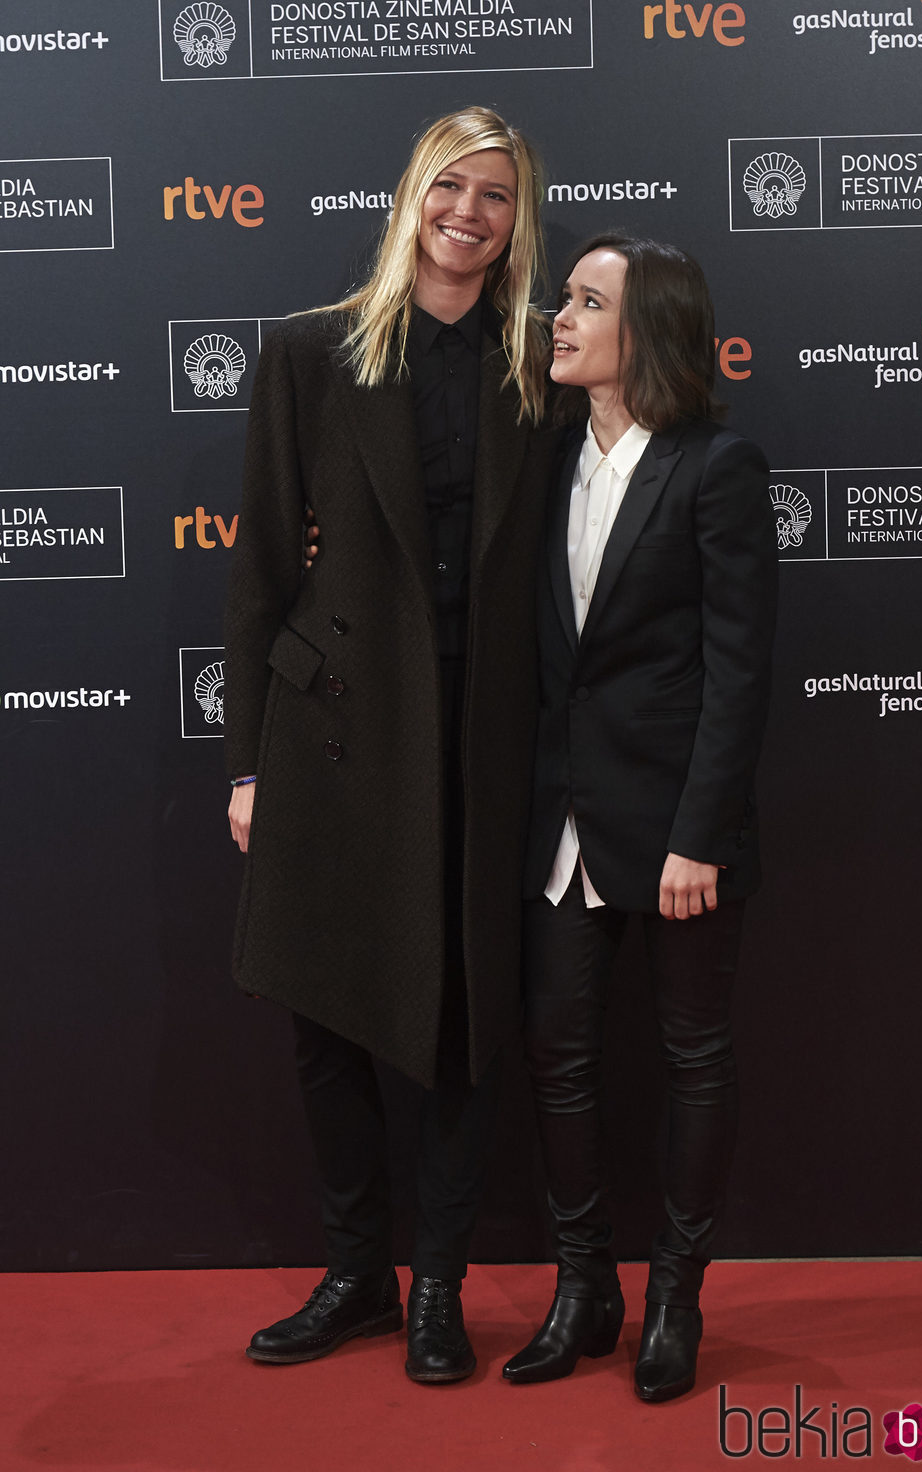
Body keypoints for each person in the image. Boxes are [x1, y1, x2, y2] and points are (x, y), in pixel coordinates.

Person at [223, 106, 555, 1384]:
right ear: (411, 195)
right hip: (334, 729)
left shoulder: (541, 362)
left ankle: (441, 1288)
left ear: (518, 218)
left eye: (496, 195)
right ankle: (359, 1275)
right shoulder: (309, 356)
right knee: (324, 1008)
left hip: (484, 729)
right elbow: (258, 569)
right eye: (450, 188)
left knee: (466, 1014)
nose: (469, 212)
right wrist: (249, 761)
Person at [500, 235, 777, 1401]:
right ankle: (584, 1288)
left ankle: (674, 1294)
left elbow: (738, 668)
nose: (556, 317)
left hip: (674, 835)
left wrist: (696, 834)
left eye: (584, 300)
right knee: (558, 1056)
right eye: (561, 298)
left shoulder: (716, 465)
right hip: (559, 821)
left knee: (690, 1057)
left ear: (644, 326)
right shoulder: (541, 457)